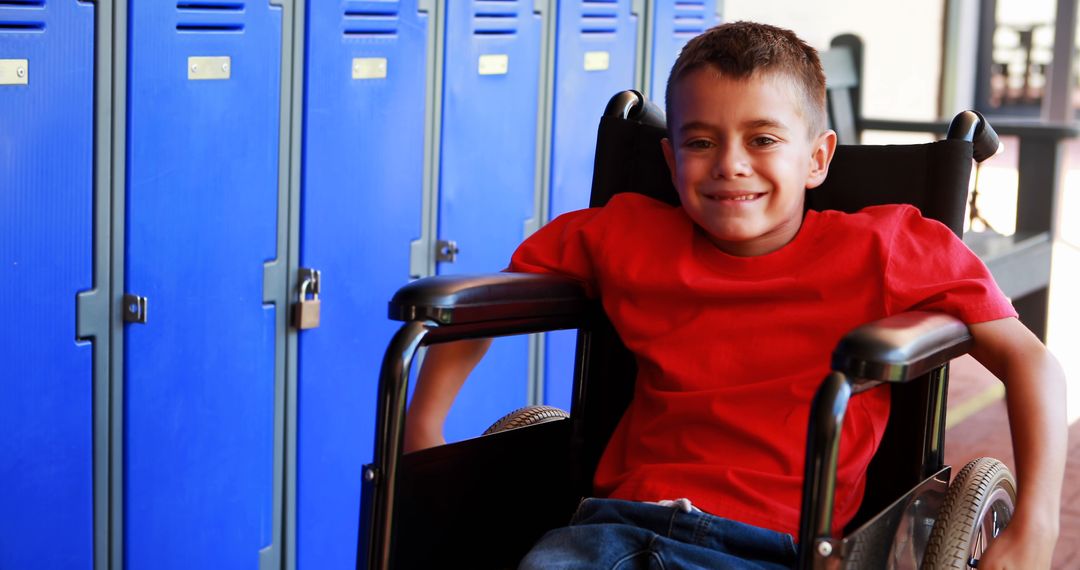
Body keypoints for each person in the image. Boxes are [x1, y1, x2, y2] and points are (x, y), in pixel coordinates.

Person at [404, 21, 1066, 569]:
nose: (730, 163)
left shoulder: (889, 246)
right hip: (607, 530)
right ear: (670, 161)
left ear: (817, 157)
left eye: (763, 139)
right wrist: (424, 426)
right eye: (700, 141)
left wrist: (1036, 520)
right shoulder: (625, 232)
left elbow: (1030, 360)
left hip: (772, 547)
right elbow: (483, 301)